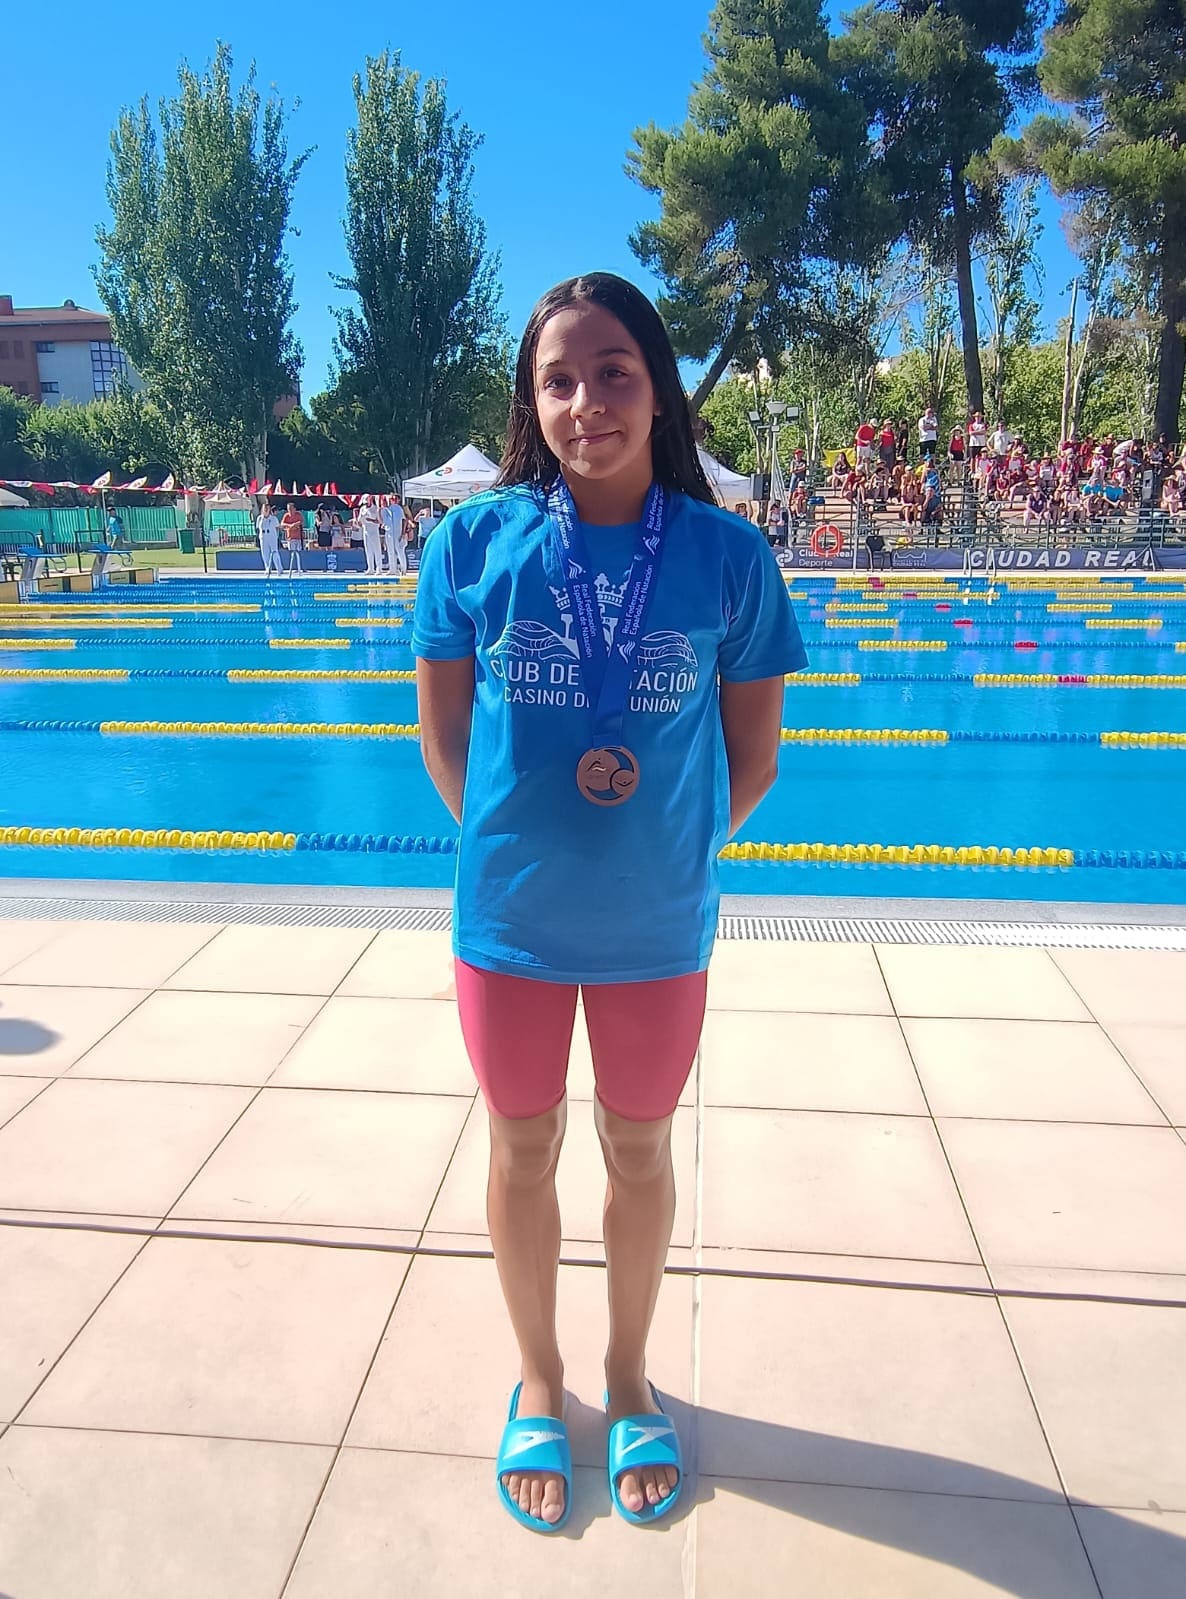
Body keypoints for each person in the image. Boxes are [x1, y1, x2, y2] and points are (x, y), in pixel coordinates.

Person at [412, 271, 807, 1535]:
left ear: (659, 385)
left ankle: (627, 1374)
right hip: (511, 926)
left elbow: (753, 760)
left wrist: (663, 852)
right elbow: (443, 746)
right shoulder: (470, 546)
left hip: (654, 932)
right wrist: (526, 845)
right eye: (559, 379)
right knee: (523, 1149)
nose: (588, 401)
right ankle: (540, 1375)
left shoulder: (727, 556)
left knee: (637, 1151)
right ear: (533, 403)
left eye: (615, 371)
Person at [358, 494, 384, 574]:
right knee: (368, 550)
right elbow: (359, 520)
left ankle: (379, 568)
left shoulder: (375, 509)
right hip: (366, 531)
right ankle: (370, 568)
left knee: (377, 550)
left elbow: (379, 521)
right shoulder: (362, 509)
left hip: (374, 531)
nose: (366, 504)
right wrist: (361, 520)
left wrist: (370, 520)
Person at [255, 500, 282, 577]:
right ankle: (267, 568)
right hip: (263, 537)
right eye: (264, 508)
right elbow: (258, 528)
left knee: (274, 552)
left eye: (267, 508)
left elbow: (277, 528)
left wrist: (276, 536)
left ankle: (279, 568)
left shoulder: (273, 519)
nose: (266, 510)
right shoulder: (259, 518)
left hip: (272, 536)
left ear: (270, 509)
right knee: (265, 553)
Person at [381, 494, 407, 575]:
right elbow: (382, 521)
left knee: (399, 551)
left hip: (398, 533)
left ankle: (403, 569)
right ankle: (392, 569)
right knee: (390, 551)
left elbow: (404, 520)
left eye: (395, 499)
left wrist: (403, 532)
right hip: (389, 533)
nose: (393, 500)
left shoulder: (399, 509)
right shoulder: (386, 509)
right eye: (392, 498)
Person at [280, 501, 304, 573]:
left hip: (298, 537)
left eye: (291, 508)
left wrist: (294, 524)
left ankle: (300, 567)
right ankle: (292, 567)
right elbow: (282, 523)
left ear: (294, 509)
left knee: (298, 552)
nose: (289, 510)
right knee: (292, 552)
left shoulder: (298, 514)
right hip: (290, 537)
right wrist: (289, 526)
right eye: (288, 509)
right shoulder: (286, 516)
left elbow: (301, 522)